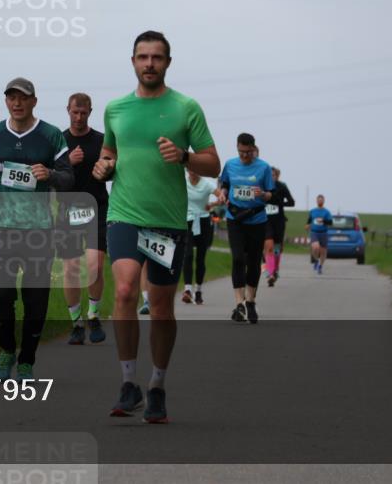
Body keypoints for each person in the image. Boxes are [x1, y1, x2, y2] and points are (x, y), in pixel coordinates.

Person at [92, 30, 219, 423]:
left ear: (167, 62)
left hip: (166, 220)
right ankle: (128, 382)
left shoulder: (186, 108)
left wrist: (183, 156)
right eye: (142, 57)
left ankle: (157, 385)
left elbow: (212, 163)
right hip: (125, 213)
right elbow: (109, 152)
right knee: (127, 288)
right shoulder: (115, 108)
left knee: (162, 308)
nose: (149, 63)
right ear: (132, 61)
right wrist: (103, 166)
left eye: (157, 57)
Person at [0, 77, 74, 380]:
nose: (17, 103)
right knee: (2, 296)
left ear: (34, 101)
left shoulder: (50, 136)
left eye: (23, 98)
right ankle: (6, 352)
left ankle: (27, 359)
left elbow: (69, 177)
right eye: (11, 97)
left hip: (39, 231)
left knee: (35, 298)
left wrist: (51, 175)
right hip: (1, 228)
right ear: (6, 101)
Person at [57, 93, 109, 345]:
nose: (79, 117)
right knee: (71, 269)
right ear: (68, 110)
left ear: (90, 112)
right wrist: (67, 161)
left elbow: (113, 170)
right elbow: (47, 175)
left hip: (97, 208)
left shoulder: (101, 140)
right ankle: (76, 322)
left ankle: (94, 315)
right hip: (67, 210)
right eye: (75, 112)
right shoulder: (59, 141)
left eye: (84, 113)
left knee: (95, 266)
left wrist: (108, 168)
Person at [217, 133, 274, 325]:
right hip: (235, 218)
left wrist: (263, 194)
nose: (244, 156)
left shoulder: (264, 167)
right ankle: (239, 303)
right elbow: (224, 184)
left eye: (247, 152)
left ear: (253, 149)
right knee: (238, 258)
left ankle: (250, 301)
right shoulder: (230, 164)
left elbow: (271, 194)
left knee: (253, 261)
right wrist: (223, 194)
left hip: (257, 219)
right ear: (237, 148)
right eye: (241, 152)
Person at [182, 168, 216, 305]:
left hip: (203, 222)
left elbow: (221, 197)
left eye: (195, 168)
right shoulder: (183, 181)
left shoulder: (206, 184)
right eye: (190, 168)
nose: (192, 171)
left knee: (200, 258)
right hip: (188, 221)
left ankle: (198, 290)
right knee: (188, 255)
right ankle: (188, 290)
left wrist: (212, 204)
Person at [263, 167, 295, 286]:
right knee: (269, 246)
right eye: (270, 175)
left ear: (277, 176)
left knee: (277, 248)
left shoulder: (282, 186)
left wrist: (280, 203)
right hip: (266, 221)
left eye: (274, 175)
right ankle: (270, 273)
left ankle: (275, 270)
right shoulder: (263, 187)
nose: (272, 177)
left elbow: (292, 202)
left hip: (279, 221)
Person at [306, 194, 334, 274]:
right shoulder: (312, 211)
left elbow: (331, 222)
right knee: (315, 248)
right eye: (318, 200)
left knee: (323, 252)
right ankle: (316, 260)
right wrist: (307, 226)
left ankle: (320, 266)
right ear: (316, 201)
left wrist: (323, 221)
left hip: (323, 233)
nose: (320, 201)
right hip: (314, 232)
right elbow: (308, 221)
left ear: (323, 201)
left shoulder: (326, 212)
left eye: (321, 200)